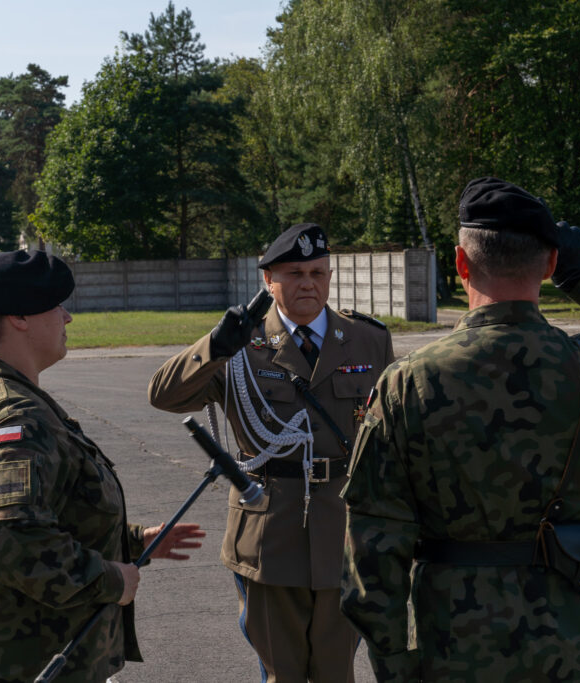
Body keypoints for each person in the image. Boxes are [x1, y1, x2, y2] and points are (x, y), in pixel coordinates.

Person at [340, 178, 580, 681]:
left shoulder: (409, 382)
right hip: (575, 644)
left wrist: (395, 665)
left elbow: (373, 549)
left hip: (453, 650)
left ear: (461, 264)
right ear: (552, 264)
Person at [0, 249, 204, 682]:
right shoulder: (16, 414)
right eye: (56, 305)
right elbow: (11, 538)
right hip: (22, 659)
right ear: (20, 317)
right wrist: (109, 579)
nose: (67, 317)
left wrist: (128, 541)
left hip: (19, 650)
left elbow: (46, 511)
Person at [148, 223, 395, 682]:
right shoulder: (241, 345)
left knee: (336, 671)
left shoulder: (367, 339)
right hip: (270, 530)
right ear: (268, 281)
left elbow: (389, 433)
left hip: (344, 528)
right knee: (282, 672)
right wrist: (215, 347)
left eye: (318, 273)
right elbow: (163, 394)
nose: (309, 284)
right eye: (295, 273)